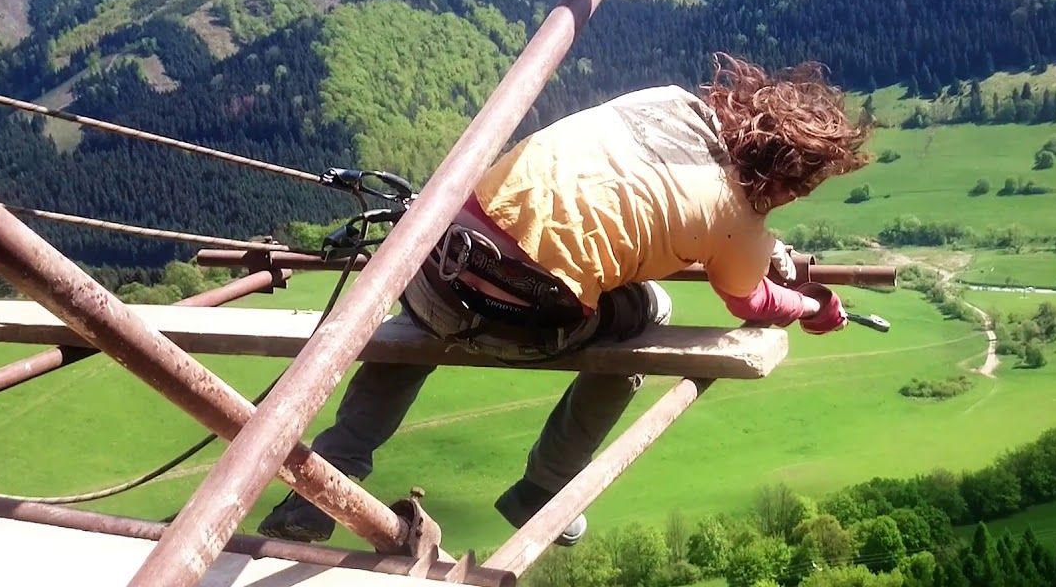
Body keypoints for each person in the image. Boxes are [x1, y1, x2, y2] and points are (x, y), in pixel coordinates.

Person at [257, 53, 873, 547]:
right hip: (523, 322)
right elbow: (750, 300)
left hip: (437, 264)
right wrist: (815, 308)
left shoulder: (665, 102)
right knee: (651, 312)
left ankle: (322, 485)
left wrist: (763, 244)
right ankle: (545, 486)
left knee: (419, 323)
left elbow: (647, 190)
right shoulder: (740, 221)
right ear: (792, 179)